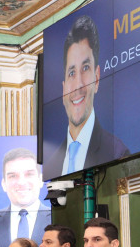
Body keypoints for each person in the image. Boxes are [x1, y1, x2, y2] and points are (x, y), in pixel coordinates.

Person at [47, 15, 130, 176]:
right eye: (71, 73)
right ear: (63, 89)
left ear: (97, 78)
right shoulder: (50, 168)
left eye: (85, 68)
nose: (78, 84)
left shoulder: (116, 153)